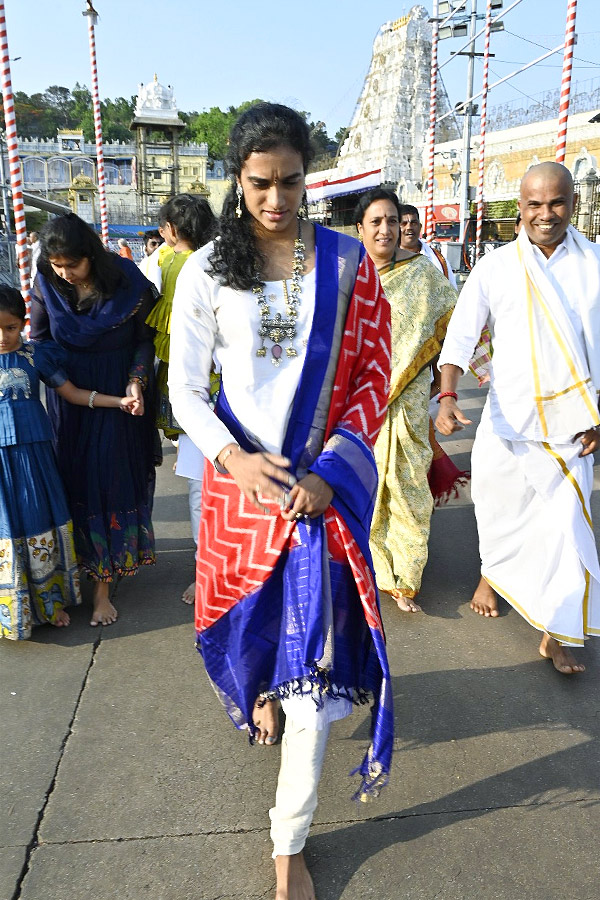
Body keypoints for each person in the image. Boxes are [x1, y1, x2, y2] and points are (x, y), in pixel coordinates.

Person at [169, 102, 393, 900]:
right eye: (260, 183)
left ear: (309, 176)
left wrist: (332, 468)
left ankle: (287, 841)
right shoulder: (205, 271)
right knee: (251, 637)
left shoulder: (345, 262)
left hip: (316, 500)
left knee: (313, 679)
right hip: (239, 496)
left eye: (291, 182)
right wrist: (230, 457)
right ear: (237, 179)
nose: (276, 199)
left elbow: (373, 372)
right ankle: (259, 690)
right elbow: (185, 390)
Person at [436, 162, 600, 674]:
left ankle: (558, 629)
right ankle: (494, 573)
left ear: (573, 204)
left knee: (566, 526)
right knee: (499, 507)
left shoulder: (595, 263)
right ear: (519, 211)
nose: (545, 214)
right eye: (534, 204)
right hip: (510, 418)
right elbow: (461, 336)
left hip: (575, 425)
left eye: (556, 203)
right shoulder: (496, 267)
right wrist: (445, 396)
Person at [30, 213, 158, 627]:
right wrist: (59, 381)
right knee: (76, 479)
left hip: (121, 396)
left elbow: (145, 338)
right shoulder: (46, 282)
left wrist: (137, 381)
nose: (64, 274)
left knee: (110, 479)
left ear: (91, 256)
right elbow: (40, 339)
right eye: (57, 266)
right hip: (69, 398)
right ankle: (78, 572)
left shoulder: (125, 280)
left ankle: (103, 587)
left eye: (72, 264)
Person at [0, 287, 140, 640]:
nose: (3, 337)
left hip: (35, 461)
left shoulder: (36, 357)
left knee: (37, 522)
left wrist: (118, 401)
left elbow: (74, 394)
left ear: (23, 324)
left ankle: (50, 604)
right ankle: (12, 608)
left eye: (11, 328)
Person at [355, 189, 457, 613]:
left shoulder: (423, 275)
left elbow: (457, 329)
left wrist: (446, 387)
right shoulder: (344, 276)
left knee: (408, 487)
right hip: (358, 404)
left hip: (409, 404)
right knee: (366, 487)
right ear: (359, 228)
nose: (386, 229)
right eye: (376, 221)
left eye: (392, 220)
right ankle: (375, 568)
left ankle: (406, 578)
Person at [145, 193, 216, 604]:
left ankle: (204, 570)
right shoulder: (225, 260)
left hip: (187, 389)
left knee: (198, 487)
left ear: (171, 230)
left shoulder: (168, 262)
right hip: (224, 388)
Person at [398, 204, 458, 289]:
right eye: (404, 224)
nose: (409, 227)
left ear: (420, 227)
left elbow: (451, 294)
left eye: (413, 223)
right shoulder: (385, 259)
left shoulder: (438, 260)